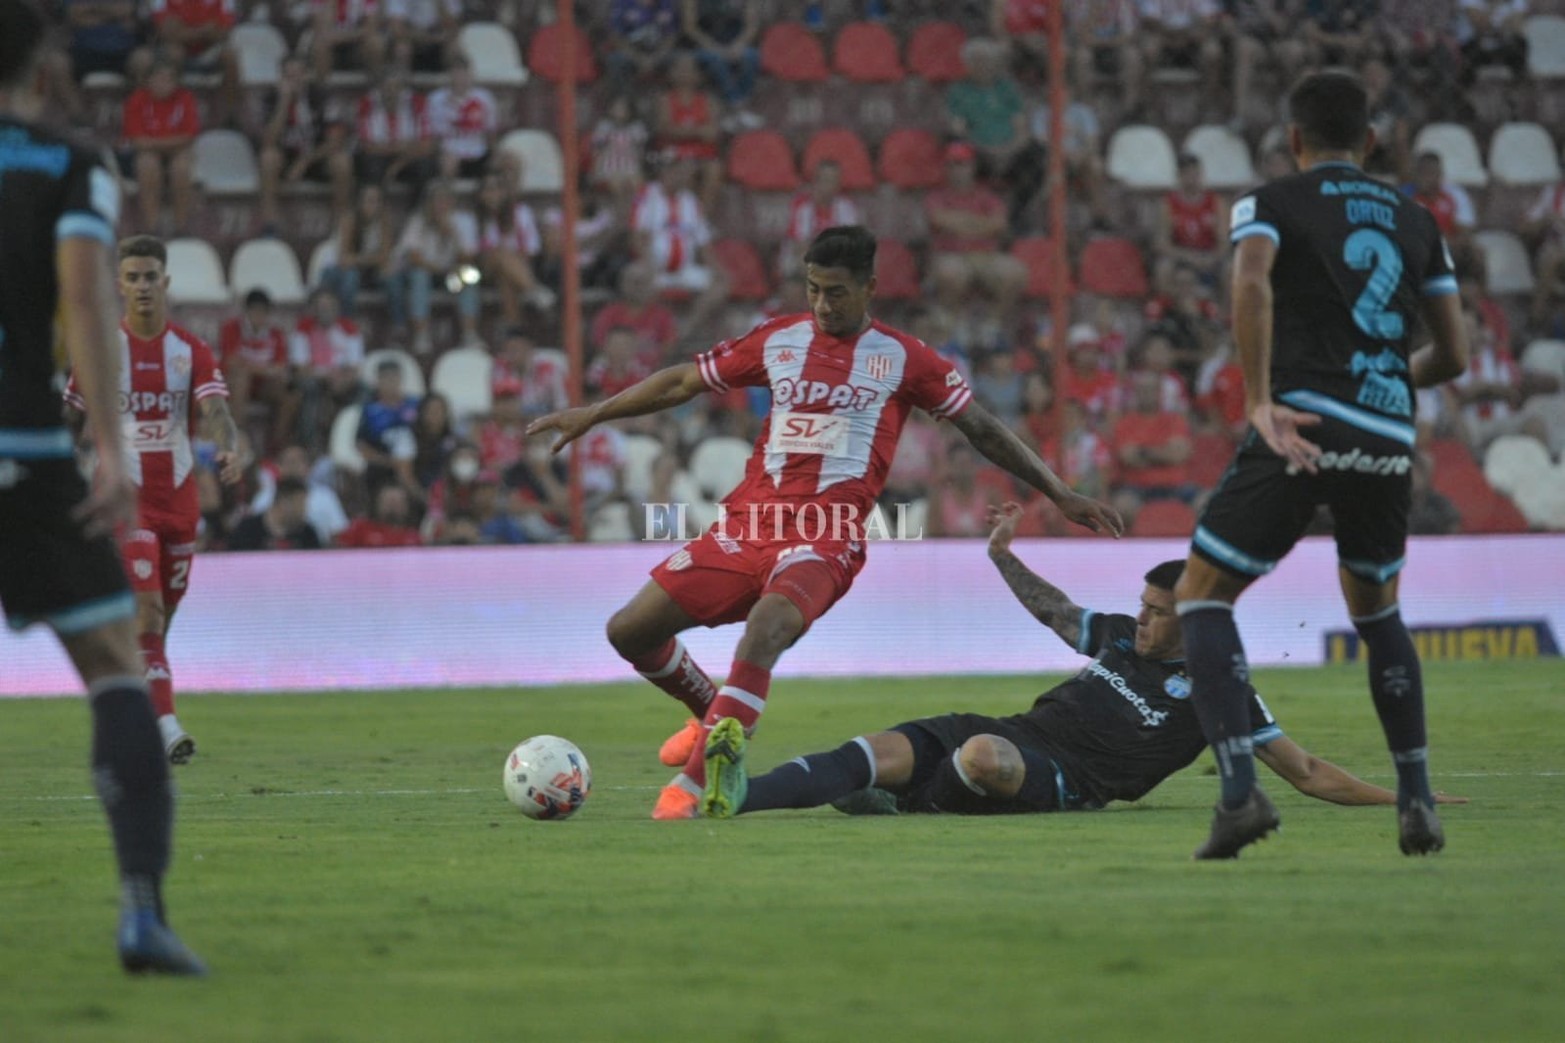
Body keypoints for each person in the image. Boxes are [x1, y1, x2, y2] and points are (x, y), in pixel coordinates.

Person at [526, 225, 1124, 820]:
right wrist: (595, 413)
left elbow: (983, 428)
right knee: (630, 631)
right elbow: (685, 379)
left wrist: (1060, 492)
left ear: (868, 288)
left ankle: (697, 782)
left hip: (824, 535)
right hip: (746, 526)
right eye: (812, 288)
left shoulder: (905, 359)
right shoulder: (778, 340)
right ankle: (715, 712)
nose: (821, 304)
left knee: (766, 628)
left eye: (835, 292)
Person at [698, 503, 1467, 820]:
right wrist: (1002, 555)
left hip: (1067, 780)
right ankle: (735, 797)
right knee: (883, 745)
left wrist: (1409, 794)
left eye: (1156, 614)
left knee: (980, 759)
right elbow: (1053, 608)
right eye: (1141, 605)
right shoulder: (1117, 637)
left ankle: (898, 801)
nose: (1139, 619)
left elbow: (1306, 772)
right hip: (1012, 727)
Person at [1172, 72, 1469, 860]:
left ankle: (1238, 794)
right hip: (1385, 434)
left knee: (1200, 598)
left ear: (1292, 139)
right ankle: (1414, 801)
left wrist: (1260, 397)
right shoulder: (1418, 220)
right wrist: (1380, 386)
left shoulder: (1268, 202)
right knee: (1378, 615)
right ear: (1370, 141)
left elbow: (1248, 281)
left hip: (1302, 420)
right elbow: (1456, 353)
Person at [0, 0, 204, 973]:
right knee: (117, 664)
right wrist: (113, 448)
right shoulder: (67, 161)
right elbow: (84, 299)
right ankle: (140, 913)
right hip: (30, 450)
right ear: (41, 65)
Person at [64, 234, 243, 765]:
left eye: (150, 277)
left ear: (164, 283)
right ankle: (166, 727)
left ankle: (133, 706)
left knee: (158, 623)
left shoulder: (191, 351)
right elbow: (71, 423)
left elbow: (218, 414)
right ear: (119, 285)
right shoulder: (101, 348)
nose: (142, 286)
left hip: (181, 505)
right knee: (148, 610)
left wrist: (229, 448)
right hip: (126, 500)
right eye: (133, 277)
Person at [228, 475, 323, 550]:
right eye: (300, 504)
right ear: (284, 502)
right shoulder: (247, 531)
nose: (304, 510)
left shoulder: (308, 534)